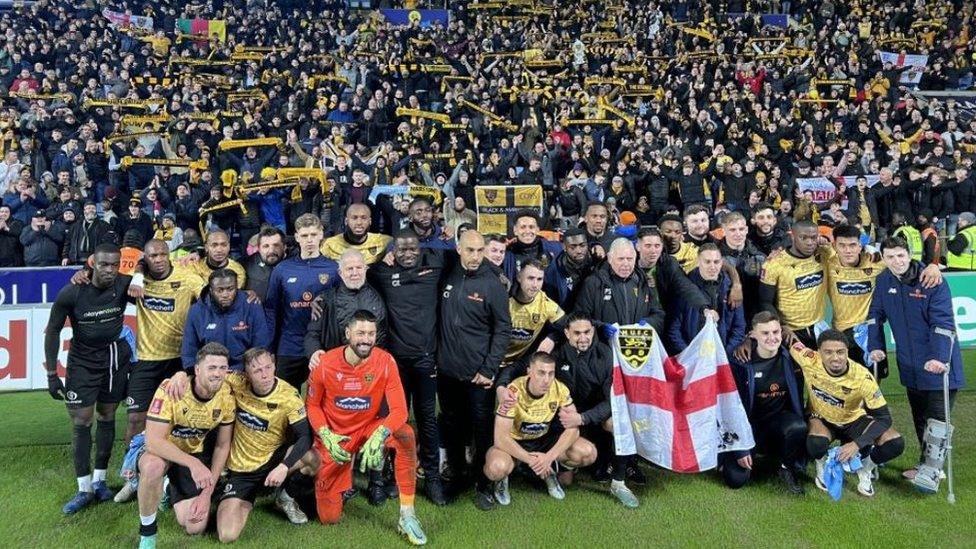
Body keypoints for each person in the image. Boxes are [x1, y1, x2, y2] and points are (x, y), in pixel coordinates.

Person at [306, 311, 428, 545]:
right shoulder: (325, 364)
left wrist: (381, 434)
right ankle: (326, 484)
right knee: (329, 518)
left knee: (404, 434)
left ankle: (407, 516)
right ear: (348, 333)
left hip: (368, 430)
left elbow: (400, 411)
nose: (366, 339)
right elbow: (312, 406)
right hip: (336, 439)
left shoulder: (385, 361)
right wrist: (325, 434)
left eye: (371, 333)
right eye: (361, 333)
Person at [44, 243, 133, 514]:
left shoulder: (124, 284)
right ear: (93, 263)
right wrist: (51, 373)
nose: (109, 270)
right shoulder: (71, 292)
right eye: (104, 264)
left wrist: (138, 276)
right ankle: (83, 489)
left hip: (114, 360)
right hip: (82, 362)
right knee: (82, 420)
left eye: (114, 265)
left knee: (107, 416)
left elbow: (149, 267)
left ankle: (100, 481)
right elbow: (52, 331)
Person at [868, 236, 965, 482]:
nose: (896, 261)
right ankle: (926, 464)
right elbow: (874, 317)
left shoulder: (932, 280)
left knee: (937, 420)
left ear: (910, 254)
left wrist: (940, 358)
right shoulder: (883, 280)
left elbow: (943, 324)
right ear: (883, 258)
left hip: (938, 366)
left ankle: (932, 471)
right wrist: (876, 347)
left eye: (901, 255)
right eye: (890, 256)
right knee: (920, 417)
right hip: (910, 367)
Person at [368, 231, 447, 505]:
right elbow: (351, 278)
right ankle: (392, 475)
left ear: (420, 248)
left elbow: (469, 257)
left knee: (427, 419)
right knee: (396, 421)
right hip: (396, 363)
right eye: (401, 249)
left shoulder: (435, 264)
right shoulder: (381, 272)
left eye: (412, 248)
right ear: (394, 251)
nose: (408, 253)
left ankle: (433, 477)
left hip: (426, 360)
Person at [438, 230, 511, 510]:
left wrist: (489, 369)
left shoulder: (493, 284)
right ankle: (456, 475)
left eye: (480, 251)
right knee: (452, 425)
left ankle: (483, 483)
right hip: (447, 371)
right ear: (458, 249)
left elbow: (502, 329)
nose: (475, 257)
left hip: (479, 374)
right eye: (470, 250)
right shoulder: (448, 272)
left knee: (481, 430)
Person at [136, 343, 236, 549]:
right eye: (211, 368)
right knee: (153, 468)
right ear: (197, 370)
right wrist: (194, 465)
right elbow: (153, 441)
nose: (218, 373)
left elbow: (222, 446)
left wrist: (207, 493)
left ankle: (165, 489)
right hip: (160, 451)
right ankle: (148, 535)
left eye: (222, 368)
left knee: (194, 527)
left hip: (191, 453)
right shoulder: (172, 388)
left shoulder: (227, 394)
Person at [215, 348, 318, 541]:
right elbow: (207, 375)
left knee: (313, 457)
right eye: (257, 371)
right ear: (246, 374)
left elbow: (305, 436)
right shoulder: (237, 381)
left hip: (272, 463)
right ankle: (246, 499)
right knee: (227, 536)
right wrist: (179, 376)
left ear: (274, 366)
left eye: (268, 367)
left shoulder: (288, 395)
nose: (265, 375)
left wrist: (283, 467)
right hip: (241, 471)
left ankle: (285, 497)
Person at [789, 330, 905, 497]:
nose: (835, 358)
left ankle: (866, 467)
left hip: (853, 419)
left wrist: (856, 444)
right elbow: (790, 342)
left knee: (895, 443)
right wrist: (784, 328)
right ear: (818, 352)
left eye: (840, 352)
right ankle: (822, 464)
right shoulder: (808, 358)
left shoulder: (862, 377)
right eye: (828, 352)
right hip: (822, 418)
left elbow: (884, 418)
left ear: (847, 352)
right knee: (816, 445)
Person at [484, 352, 597, 505]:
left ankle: (552, 471)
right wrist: (532, 460)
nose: (546, 380)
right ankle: (502, 481)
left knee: (588, 453)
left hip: (544, 441)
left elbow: (573, 428)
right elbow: (500, 438)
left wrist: (548, 458)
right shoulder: (513, 392)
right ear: (529, 371)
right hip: (515, 443)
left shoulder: (559, 389)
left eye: (551, 374)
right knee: (495, 468)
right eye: (541, 373)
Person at [723, 312, 806, 494]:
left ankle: (786, 469)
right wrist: (740, 450)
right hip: (748, 429)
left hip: (778, 423)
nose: (772, 338)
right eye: (765, 333)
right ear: (753, 335)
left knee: (798, 426)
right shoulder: (740, 363)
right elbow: (729, 410)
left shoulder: (792, 358)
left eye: (775, 332)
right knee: (736, 480)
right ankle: (744, 455)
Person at [265, 214, 338, 390]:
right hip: (290, 344)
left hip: (322, 344)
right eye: (304, 236)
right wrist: (269, 347)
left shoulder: (334, 268)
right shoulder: (282, 269)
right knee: (284, 396)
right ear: (297, 237)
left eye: (313, 234)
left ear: (321, 234)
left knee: (325, 398)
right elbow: (271, 309)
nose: (309, 240)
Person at [180, 269, 270, 371]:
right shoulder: (197, 311)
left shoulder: (252, 306)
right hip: (210, 371)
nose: (225, 294)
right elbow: (189, 349)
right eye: (220, 290)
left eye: (230, 289)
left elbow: (260, 345)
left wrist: (249, 371)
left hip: (244, 370)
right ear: (211, 290)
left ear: (237, 288)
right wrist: (192, 373)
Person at [667, 243, 746, 356]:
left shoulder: (732, 288)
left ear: (722, 263)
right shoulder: (684, 288)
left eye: (716, 262)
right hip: (691, 358)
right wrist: (689, 354)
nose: (712, 266)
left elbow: (739, 327)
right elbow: (674, 329)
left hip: (723, 357)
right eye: (707, 262)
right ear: (698, 262)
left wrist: (724, 355)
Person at [574, 237, 665, 335]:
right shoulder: (593, 283)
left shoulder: (643, 281)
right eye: (621, 259)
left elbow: (658, 314)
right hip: (605, 347)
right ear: (609, 258)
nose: (626, 263)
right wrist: (600, 328)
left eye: (629, 259)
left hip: (637, 345)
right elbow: (580, 318)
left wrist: (650, 323)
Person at [758, 220, 826, 349]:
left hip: (820, 327)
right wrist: (780, 326)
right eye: (803, 238)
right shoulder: (774, 264)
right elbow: (765, 301)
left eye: (813, 237)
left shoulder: (823, 255)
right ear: (792, 236)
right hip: (791, 331)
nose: (810, 242)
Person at [505, 260, 566, 363]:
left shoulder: (545, 304)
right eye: (530, 278)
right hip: (491, 357)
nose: (535, 285)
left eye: (539, 279)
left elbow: (568, 326)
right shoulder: (504, 299)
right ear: (519, 278)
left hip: (519, 362)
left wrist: (552, 338)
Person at [321, 203, 393, 265]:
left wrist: (390, 253)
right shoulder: (330, 245)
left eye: (364, 218)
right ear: (346, 221)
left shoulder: (383, 241)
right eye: (354, 218)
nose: (359, 223)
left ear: (370, 221)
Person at [502, 210, 563, 280]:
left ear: (537, 229)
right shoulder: (506, 254)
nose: (527, 231)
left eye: (531, 227)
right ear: (515, 230)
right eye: (523, 227)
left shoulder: (555, 249)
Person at [542, 228, 592, 310]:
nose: (579, 251)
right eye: (573, 247)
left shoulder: (595, 261)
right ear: (564, 247)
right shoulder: (554, 270)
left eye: (582, 245)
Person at [242, 226, 286, 302]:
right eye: (266, 246)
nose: (271, 250)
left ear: (284, 247)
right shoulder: (246, 264)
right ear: (258, 249)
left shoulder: (296, 263)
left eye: (276, 245)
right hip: (258, 311)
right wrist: (243, 294)